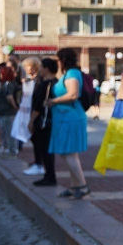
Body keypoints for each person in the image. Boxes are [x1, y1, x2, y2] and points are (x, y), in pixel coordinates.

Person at [46, 48, 90, 200]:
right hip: (65, 117)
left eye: (58, 59)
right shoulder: (68, 74)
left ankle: (82, 186)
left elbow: (73, 95)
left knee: (67, 153)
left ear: (63, 60)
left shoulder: (72, 73)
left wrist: (53, 101)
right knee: (70, 152)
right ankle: (74, 186)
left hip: (70, 117)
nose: (57, 62)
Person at [28, 58, 58, 186]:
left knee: (45, 149)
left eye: (41, 67)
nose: (39, 70)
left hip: (45, 121)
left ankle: (50, 176)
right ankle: (48, 174)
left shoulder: (48, 84)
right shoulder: (51, 82)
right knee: (44, 148)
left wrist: (31, 121)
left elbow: (39, 106)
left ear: (46, 69)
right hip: (47, 120)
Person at [14, 58, 41, 175]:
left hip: (35, 115)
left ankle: (39, 163)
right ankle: (37, 161)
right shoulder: (29, 80)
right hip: (27, 114)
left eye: (27, 66)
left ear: (35, 66)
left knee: (37, 141)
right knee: (34, 140)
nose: (25, 69)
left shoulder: (38, 81)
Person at [0, 65, 19, 155]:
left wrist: (15, 107)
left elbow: (9, 97)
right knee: (6, 130)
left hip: (8, 111)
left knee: (9, 131)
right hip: (5, 111)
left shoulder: (8, 84)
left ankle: (12, 150)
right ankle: (9, 148)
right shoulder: (7, 84)